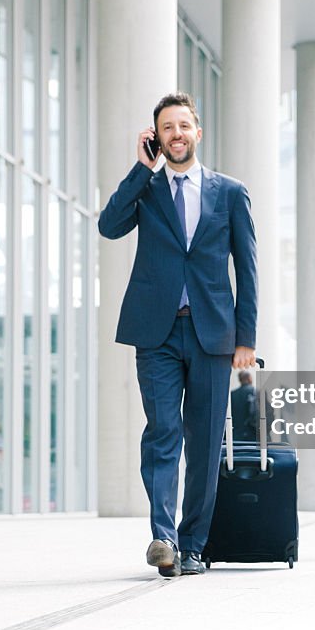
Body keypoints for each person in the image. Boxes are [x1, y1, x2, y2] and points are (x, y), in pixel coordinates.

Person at [98, 92, 258, 578]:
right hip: (157, 332)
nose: (176, 135)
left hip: (213, 334)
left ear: (198, 132)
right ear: (156, 137)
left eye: (183, 126)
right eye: (167, 128)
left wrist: (246, 340)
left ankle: (193, 544)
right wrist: (139, 170)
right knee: (163, 432)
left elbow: (247, 268)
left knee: (206, 443)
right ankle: (163, 538)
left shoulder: (229, 193)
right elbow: (108, 226)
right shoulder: (146, 189)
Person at [230, 370, 258, 442]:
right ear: (250, 378)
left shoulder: (232, 394)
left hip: (236, 435)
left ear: (240, 380)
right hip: (253, 434)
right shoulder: (257, 392)